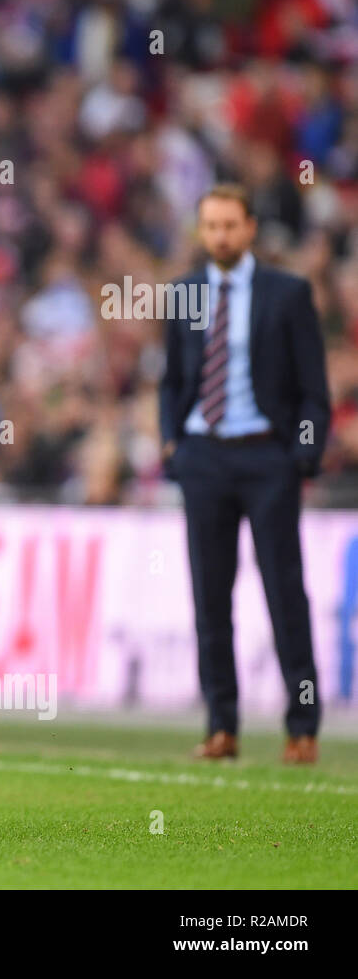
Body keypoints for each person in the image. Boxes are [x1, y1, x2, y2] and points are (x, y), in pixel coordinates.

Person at [160, 183, 330, 765]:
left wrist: (301, 457)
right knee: (210, 595)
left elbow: (314, 389)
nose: (221, 236)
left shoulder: (287, 293)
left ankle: (302, 726)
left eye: (230, 225)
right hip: (205, 456)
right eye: (211, 226)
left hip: (267, 457)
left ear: (251, 227)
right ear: (201, 231)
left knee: (286, 592)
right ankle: (221, 726)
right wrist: (172, 445)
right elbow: (173, 380)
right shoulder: (183, 293)